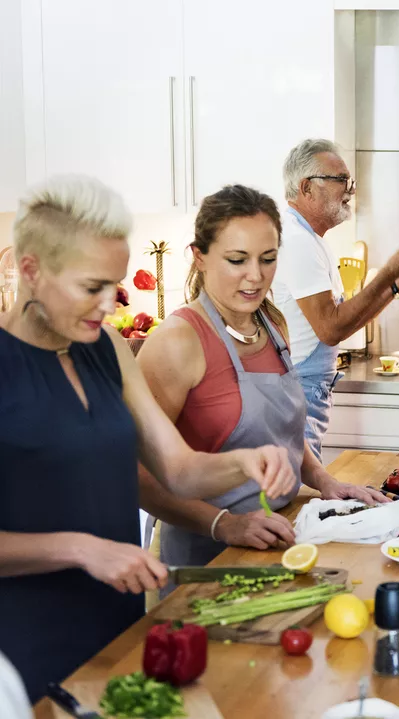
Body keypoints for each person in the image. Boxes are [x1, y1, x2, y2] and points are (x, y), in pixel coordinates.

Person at [0, 176, 295, 702]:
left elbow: (176, 468)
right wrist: (81, 550)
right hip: (23, 639)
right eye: (92, 288)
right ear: (30, 271)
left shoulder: (105, 346)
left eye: (113, 287)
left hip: (116, 618)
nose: (109, 304)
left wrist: (247, 462)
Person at [136, 186, 388, 586]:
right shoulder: (177, 342)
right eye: (237, 260)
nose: (256, 276)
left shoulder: (271, 324)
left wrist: (324, 481)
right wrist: (225, 524)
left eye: (268, 259)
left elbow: (280, 430)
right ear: (198, 256)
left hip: (280, 539)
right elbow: (139, 475)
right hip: (208, 560)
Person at [271, 139, 399, 459]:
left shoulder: (309, 239)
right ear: (307, 187)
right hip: (299, 390)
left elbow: (340, 319)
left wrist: (394, 285)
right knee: (295, 493)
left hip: (308, 388)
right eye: (340, 180)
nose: (349, 190)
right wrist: (386, 274)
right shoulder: (297, 242)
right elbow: (330, 328)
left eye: (350, 182)